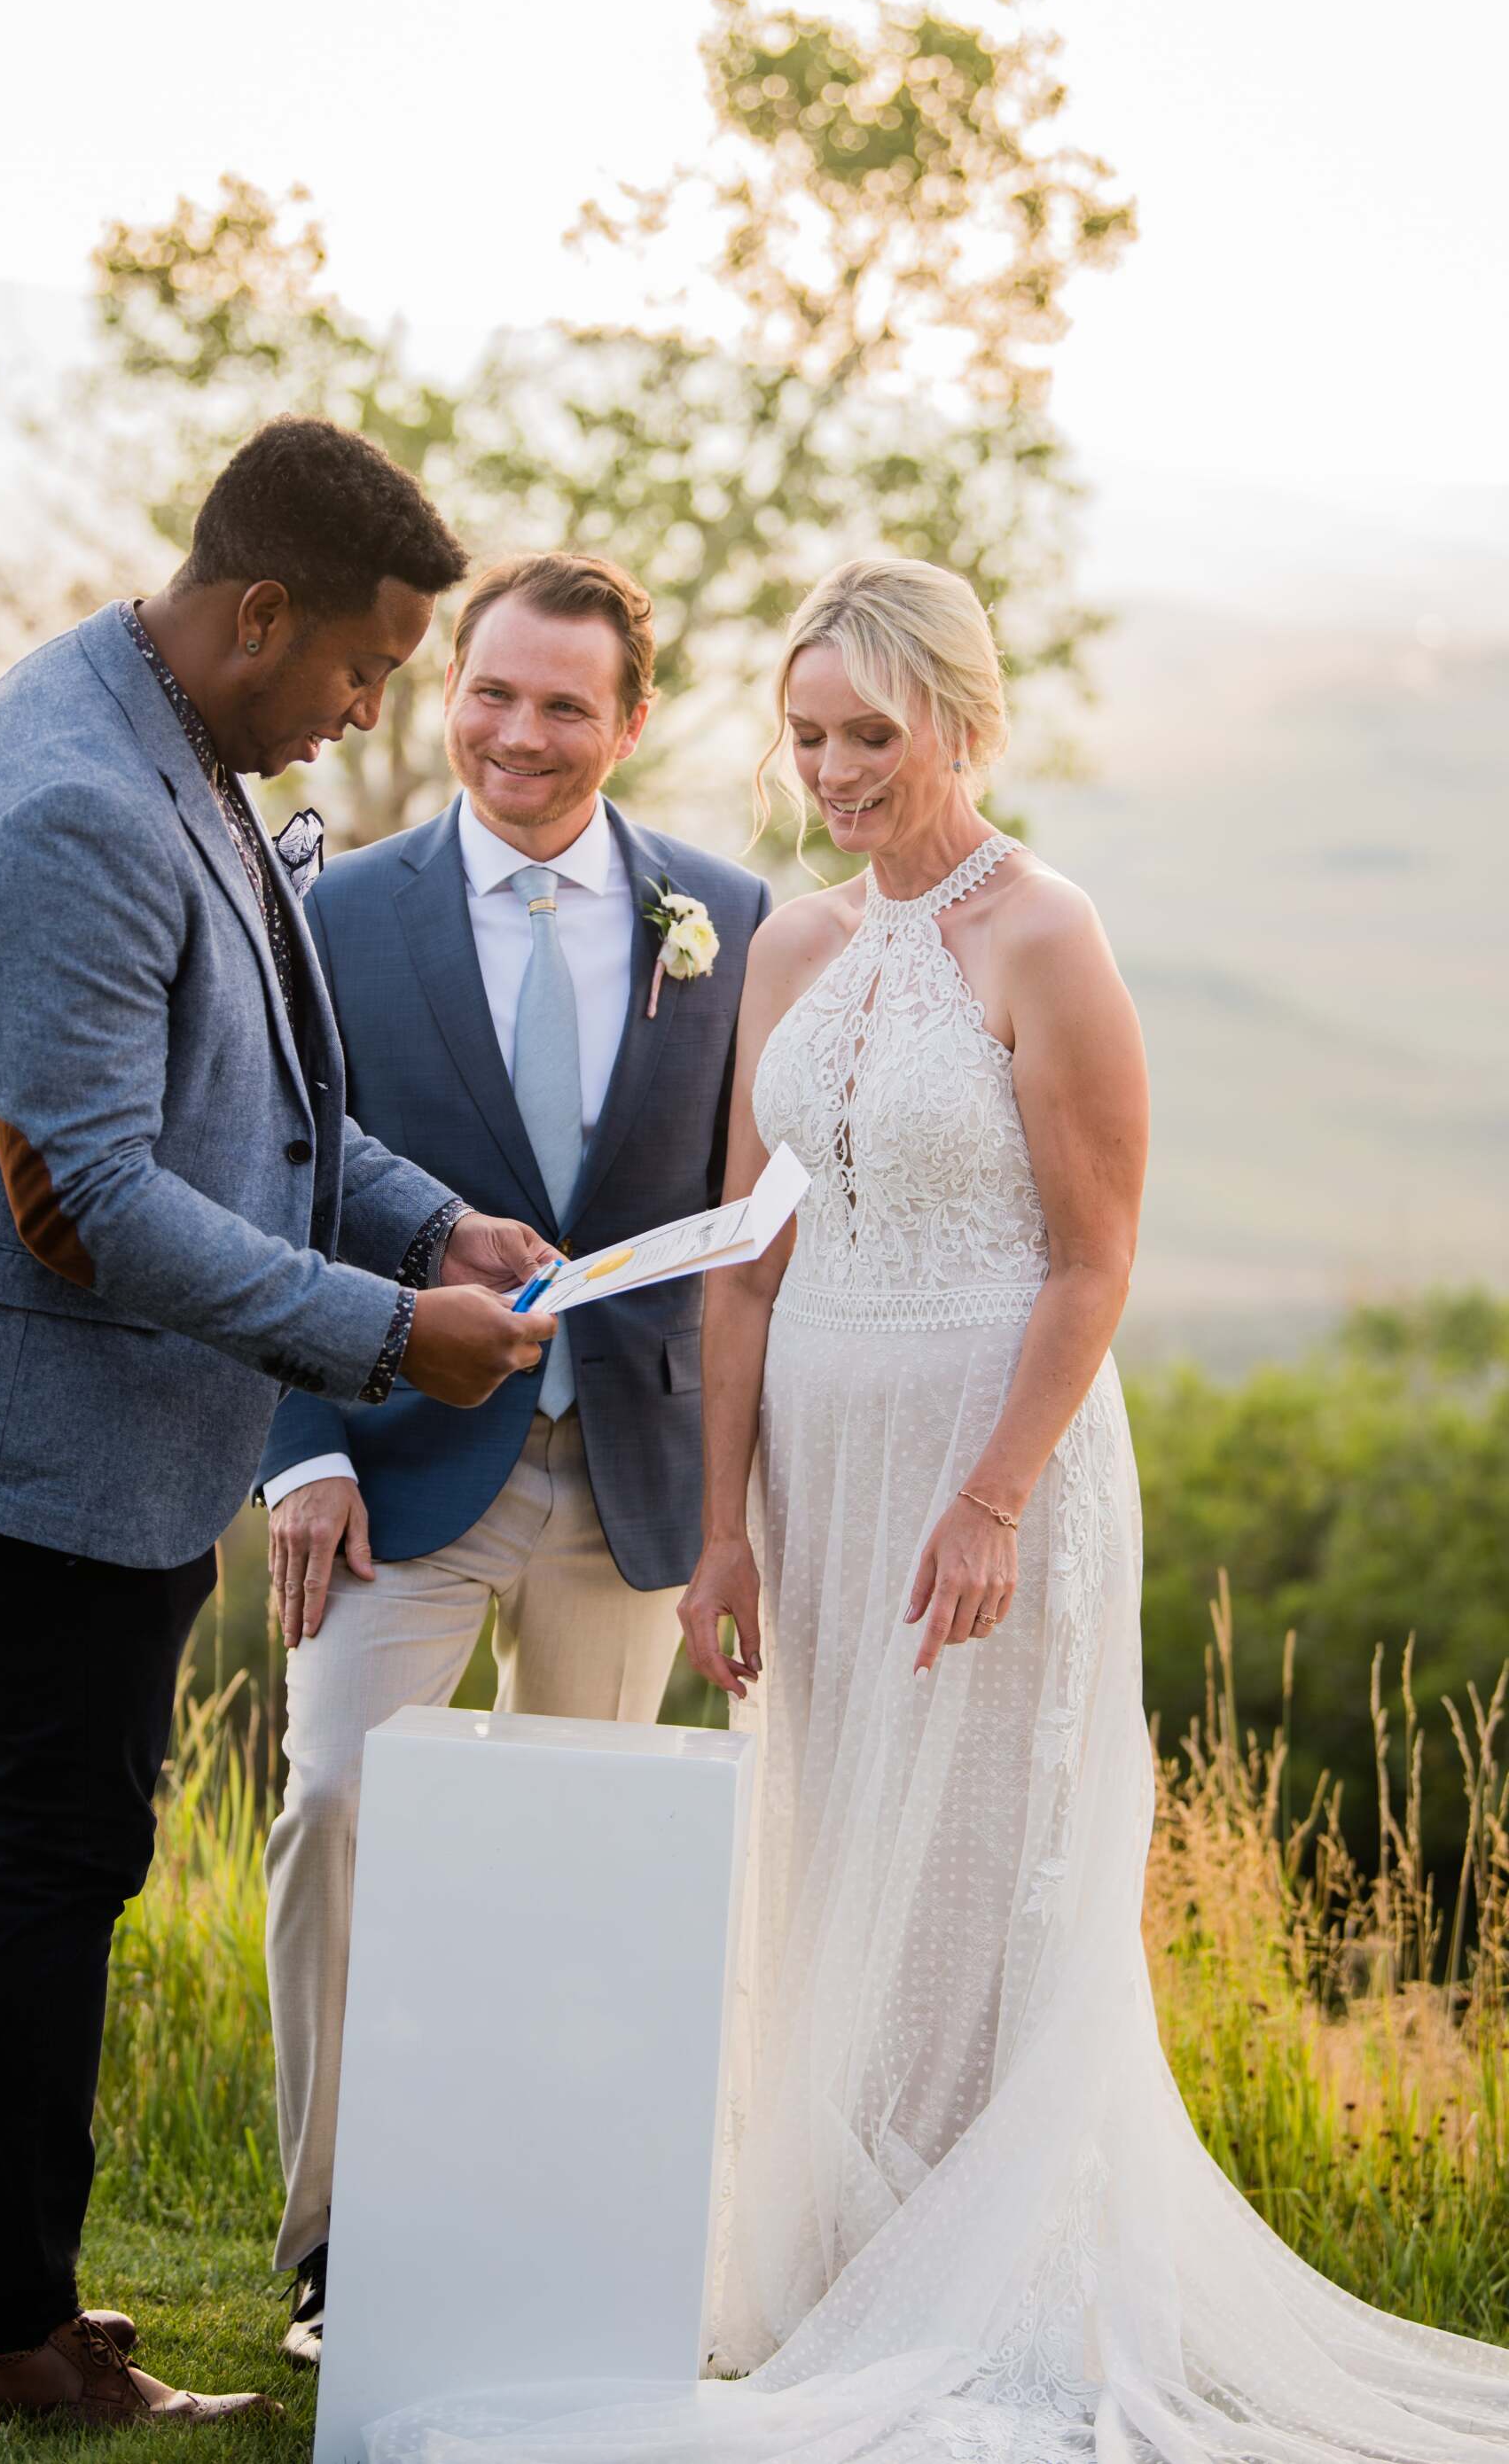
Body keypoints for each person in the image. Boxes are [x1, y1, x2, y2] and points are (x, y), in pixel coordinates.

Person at [364, 558, 1509, 2461]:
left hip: (995, 1470)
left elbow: (1095, 1258)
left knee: (980, 1877)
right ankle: (844, 2272)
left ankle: (993, 2291)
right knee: (838, 1864)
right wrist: (722, 1532)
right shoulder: (791, 944)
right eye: (807, 736)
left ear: (964, 722)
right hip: (820, 1471)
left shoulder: (1046, 935)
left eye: (870, 736)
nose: (832, 772)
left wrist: (991, 1498)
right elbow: (746, 1266)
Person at [0, 417, 556, 2429]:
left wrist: (432, 1223)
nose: (368, 712)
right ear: (260, 612)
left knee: (14, 1811)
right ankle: (3, 2325)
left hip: (78, 1397)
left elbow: (263, 1093)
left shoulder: (169, 727)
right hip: (34, 1406)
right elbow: (90, 1197)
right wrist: (391, 1334)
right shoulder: (81, 801)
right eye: (363, 669)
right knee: (67, 1839)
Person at [255, 552, 770, 2365]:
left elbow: (753, 1218)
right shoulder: (336, 912)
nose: (519, 734)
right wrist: (297, 1454)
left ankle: (539, 2223)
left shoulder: (728, 917)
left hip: (630, 1479)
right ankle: (334, 2245)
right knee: (337, 1804)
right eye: (492, 691)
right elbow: (268, 1183)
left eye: (565, 704)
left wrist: (741, 1504)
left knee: (580, 1850)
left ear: (631, 722)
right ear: (449, 689)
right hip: (392, 1461)